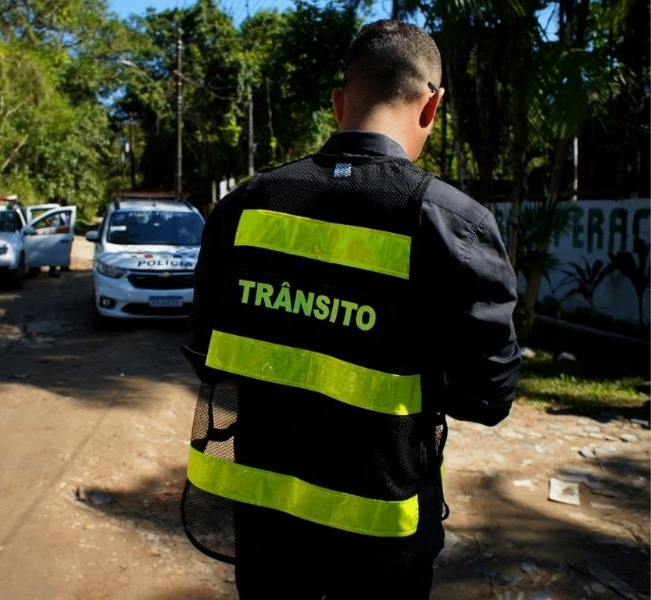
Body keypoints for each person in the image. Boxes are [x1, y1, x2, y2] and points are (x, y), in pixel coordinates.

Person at [179, 19, 520, 599]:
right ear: (431, 106)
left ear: (339, 103)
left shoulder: (244, 207)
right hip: (381, 536)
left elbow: (207, 351)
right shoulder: (452, 223)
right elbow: (487, 397)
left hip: (266, 522)